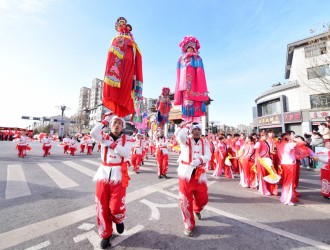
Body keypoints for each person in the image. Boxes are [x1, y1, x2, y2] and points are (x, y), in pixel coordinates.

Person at [91, 112, 132, 249]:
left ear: (123, 126)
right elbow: (93, 133)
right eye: (114, 123)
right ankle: (106, 234)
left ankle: (118, 219)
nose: (116, 125)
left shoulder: (128, 139)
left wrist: (113, 145)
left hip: (119, 175)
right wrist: (105, 120)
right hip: (103, 174)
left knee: (115, 206)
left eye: (119, 123)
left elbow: (126, 153)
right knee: (101, 206)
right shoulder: (103, 136)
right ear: (110, 125)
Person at [175, 121, 211, 237]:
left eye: (198, 130)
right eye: (194, 129)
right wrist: (185, 126)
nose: (196, 131)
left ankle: (197, 209)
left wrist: (200, 160)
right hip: (186, 174)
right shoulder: (186, 140)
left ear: (201, 131)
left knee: (203, 198)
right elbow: (180, 136)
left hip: (199, 174)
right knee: (185, 201)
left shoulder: (204, 142)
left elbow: (208, 156)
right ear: (190, 131)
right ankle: (189, 224)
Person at [102, 17, 143, 118]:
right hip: (118, 67)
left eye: (124, 23)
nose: (123, 24)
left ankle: (119, 112)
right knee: (116, 89)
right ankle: (114, 111)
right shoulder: (116, 38)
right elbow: (110, 57)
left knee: (127, 87)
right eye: (120, 23)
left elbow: (136, 55)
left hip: (129, 65)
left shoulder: (131, 40)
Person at [174, 36, 209, 122]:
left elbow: (200, 72)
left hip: (195, 83)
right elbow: (178, 74)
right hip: (184, 85)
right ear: (185, 49)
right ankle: (187, 123)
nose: (190, 50)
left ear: (194, 49)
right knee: (186, 102)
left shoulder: (197, 58)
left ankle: (196, 123)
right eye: (188, 48)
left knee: (195, 101)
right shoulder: (181, 59)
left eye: (192, 48)